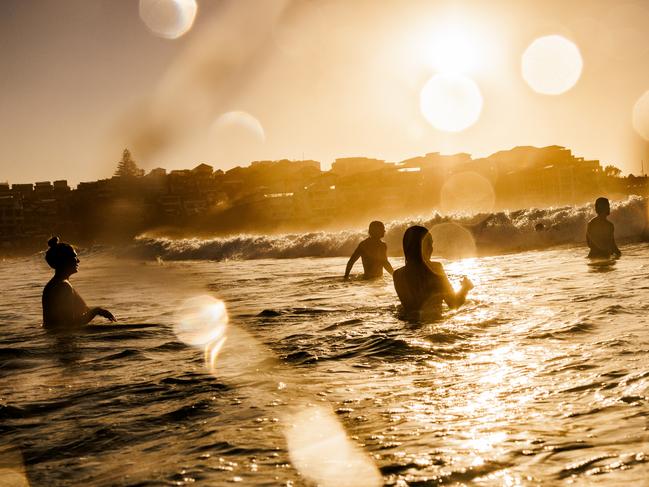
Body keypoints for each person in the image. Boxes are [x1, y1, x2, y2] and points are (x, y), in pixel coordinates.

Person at [393, 226, 473, 316]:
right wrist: (465, 288)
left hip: (409, 326)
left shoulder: (397, 275)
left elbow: (412, 309)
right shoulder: (435, 268)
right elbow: (454, 304)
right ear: (420, 247)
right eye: (429, 244)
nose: (431, 248)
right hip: (432, 324)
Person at [42, 236, 116, 330]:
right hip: (63, 340)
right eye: (74, 256)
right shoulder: (63, 286)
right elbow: (70, 324)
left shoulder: (56, 284)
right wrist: (97, 311)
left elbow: (82, 309)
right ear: (64, 260)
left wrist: (95, 311)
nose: (78, 260)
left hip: (55, 337)